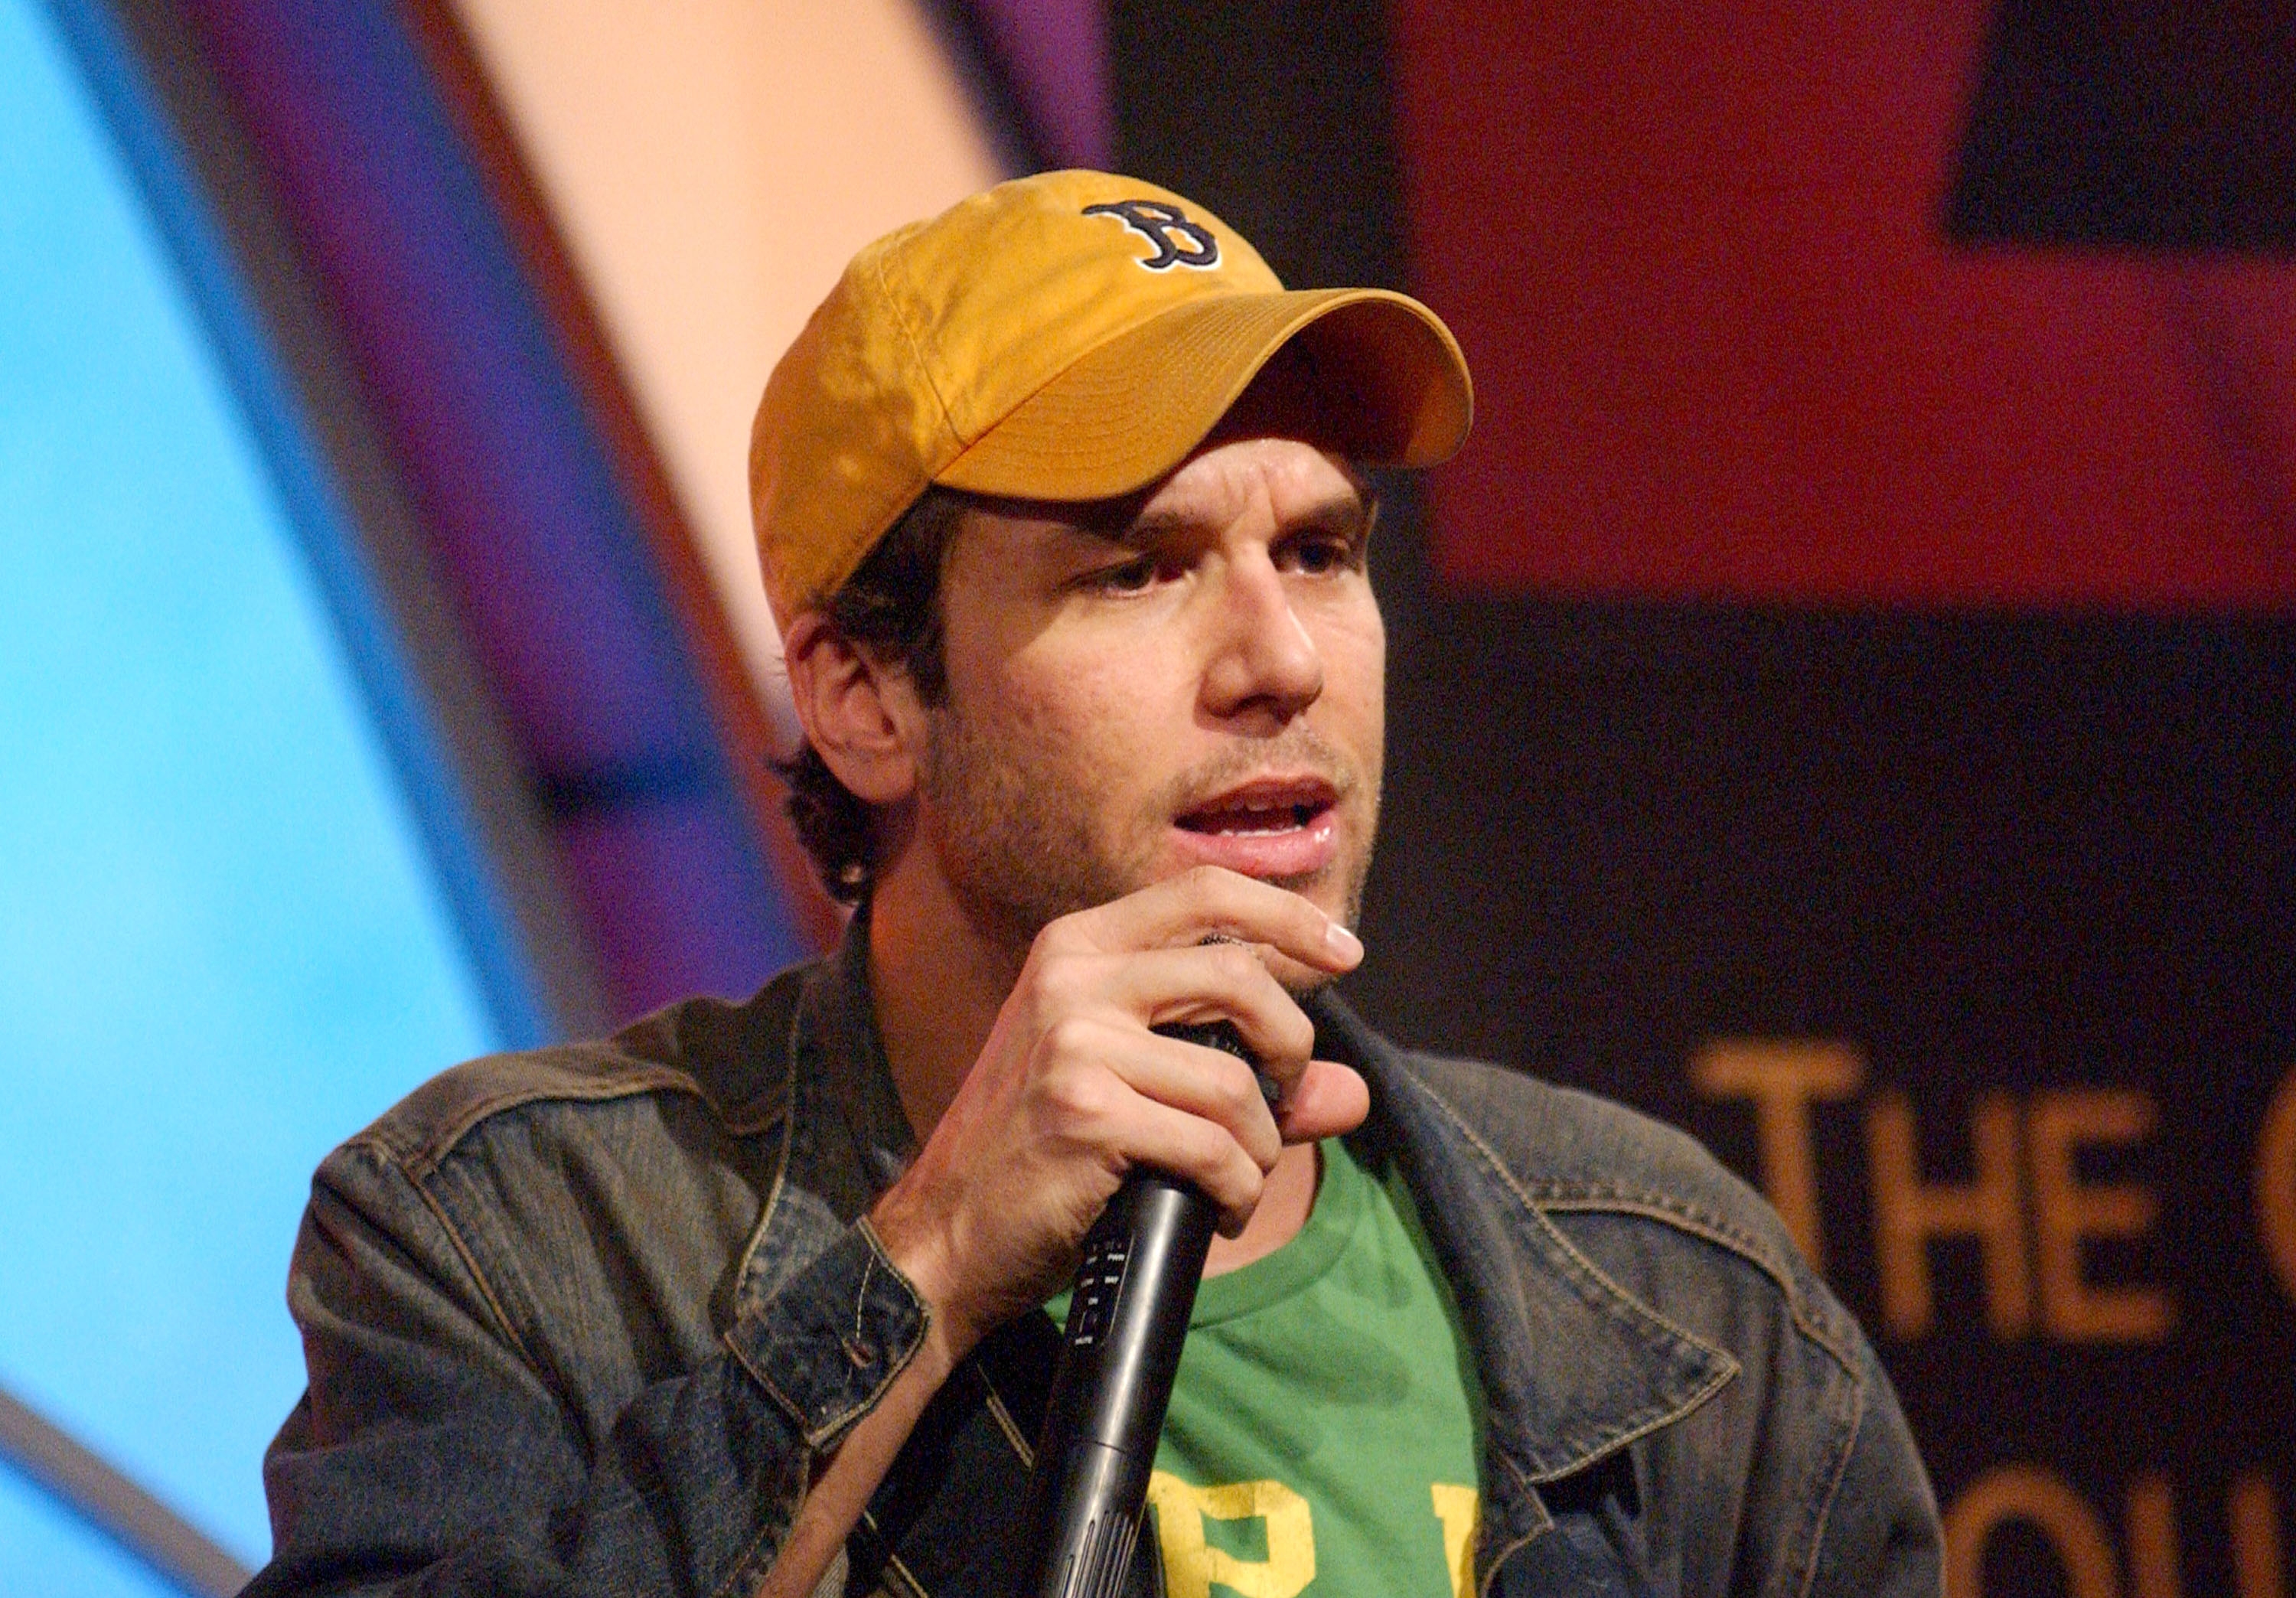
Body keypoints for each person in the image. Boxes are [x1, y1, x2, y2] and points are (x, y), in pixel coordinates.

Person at [245, 171, 1941, 1598]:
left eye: (1320, 552)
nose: (1279, 661)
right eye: (1138, 570)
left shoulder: (1680, 1285)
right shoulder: (508, 1233)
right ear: (867, 696)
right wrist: (930, 1261)